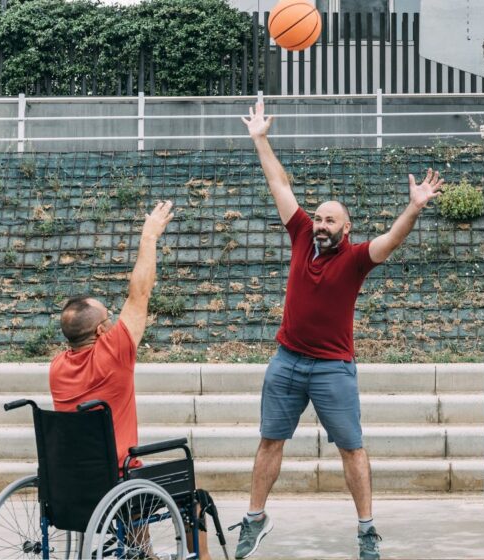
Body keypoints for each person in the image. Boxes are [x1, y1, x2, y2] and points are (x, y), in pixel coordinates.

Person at [233, 101, 443, 560]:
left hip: (332, 369)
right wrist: (261, 138)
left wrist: (413, 208)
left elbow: (393, 239)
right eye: (319, 218)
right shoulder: (300, 234)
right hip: (286, 362)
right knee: (270, 440)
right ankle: (255, 517)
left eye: (330, 220)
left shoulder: (355, 259)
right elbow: (279, 183)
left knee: (352, 448)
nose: (321, 225)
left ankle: (366, 530)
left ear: (346, 229)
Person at [48, 201, 214, 559]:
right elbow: (140, 292)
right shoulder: (114, 354)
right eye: (108, 317)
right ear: (102, 330)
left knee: (132, 478)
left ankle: (145, 554)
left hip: (71, 485)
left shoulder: (57, 368)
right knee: (193, 499)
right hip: (117, 481)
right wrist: (149, 236)